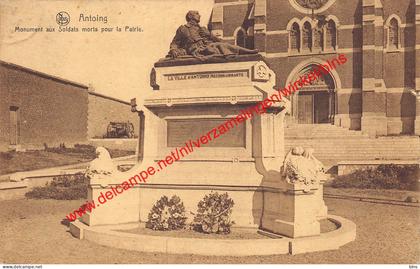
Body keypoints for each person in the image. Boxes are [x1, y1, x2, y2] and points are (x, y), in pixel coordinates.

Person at [168, 10, 258, 60]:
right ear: (190, 17)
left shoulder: (202, 29)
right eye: (197, 14)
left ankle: (248, 52)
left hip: (207, 47)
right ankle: (248, 52)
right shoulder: (183, 29)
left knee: (223, 45)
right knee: (220, 46)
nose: (200, 15)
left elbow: (218, 40)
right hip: (198, 50)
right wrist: (173, 50)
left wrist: (210, 35)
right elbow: (175, 43)